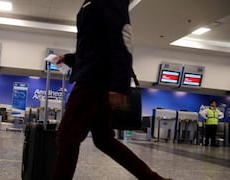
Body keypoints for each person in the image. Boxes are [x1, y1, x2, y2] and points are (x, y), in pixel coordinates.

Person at [53, 0, 170, 179]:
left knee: (68, 135)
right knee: (104, 140)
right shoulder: (89, 2)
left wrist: (119, 86)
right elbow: (94, 46)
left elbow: (123, 40)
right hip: (94, 77)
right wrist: (68, 58)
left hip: (94, 81)